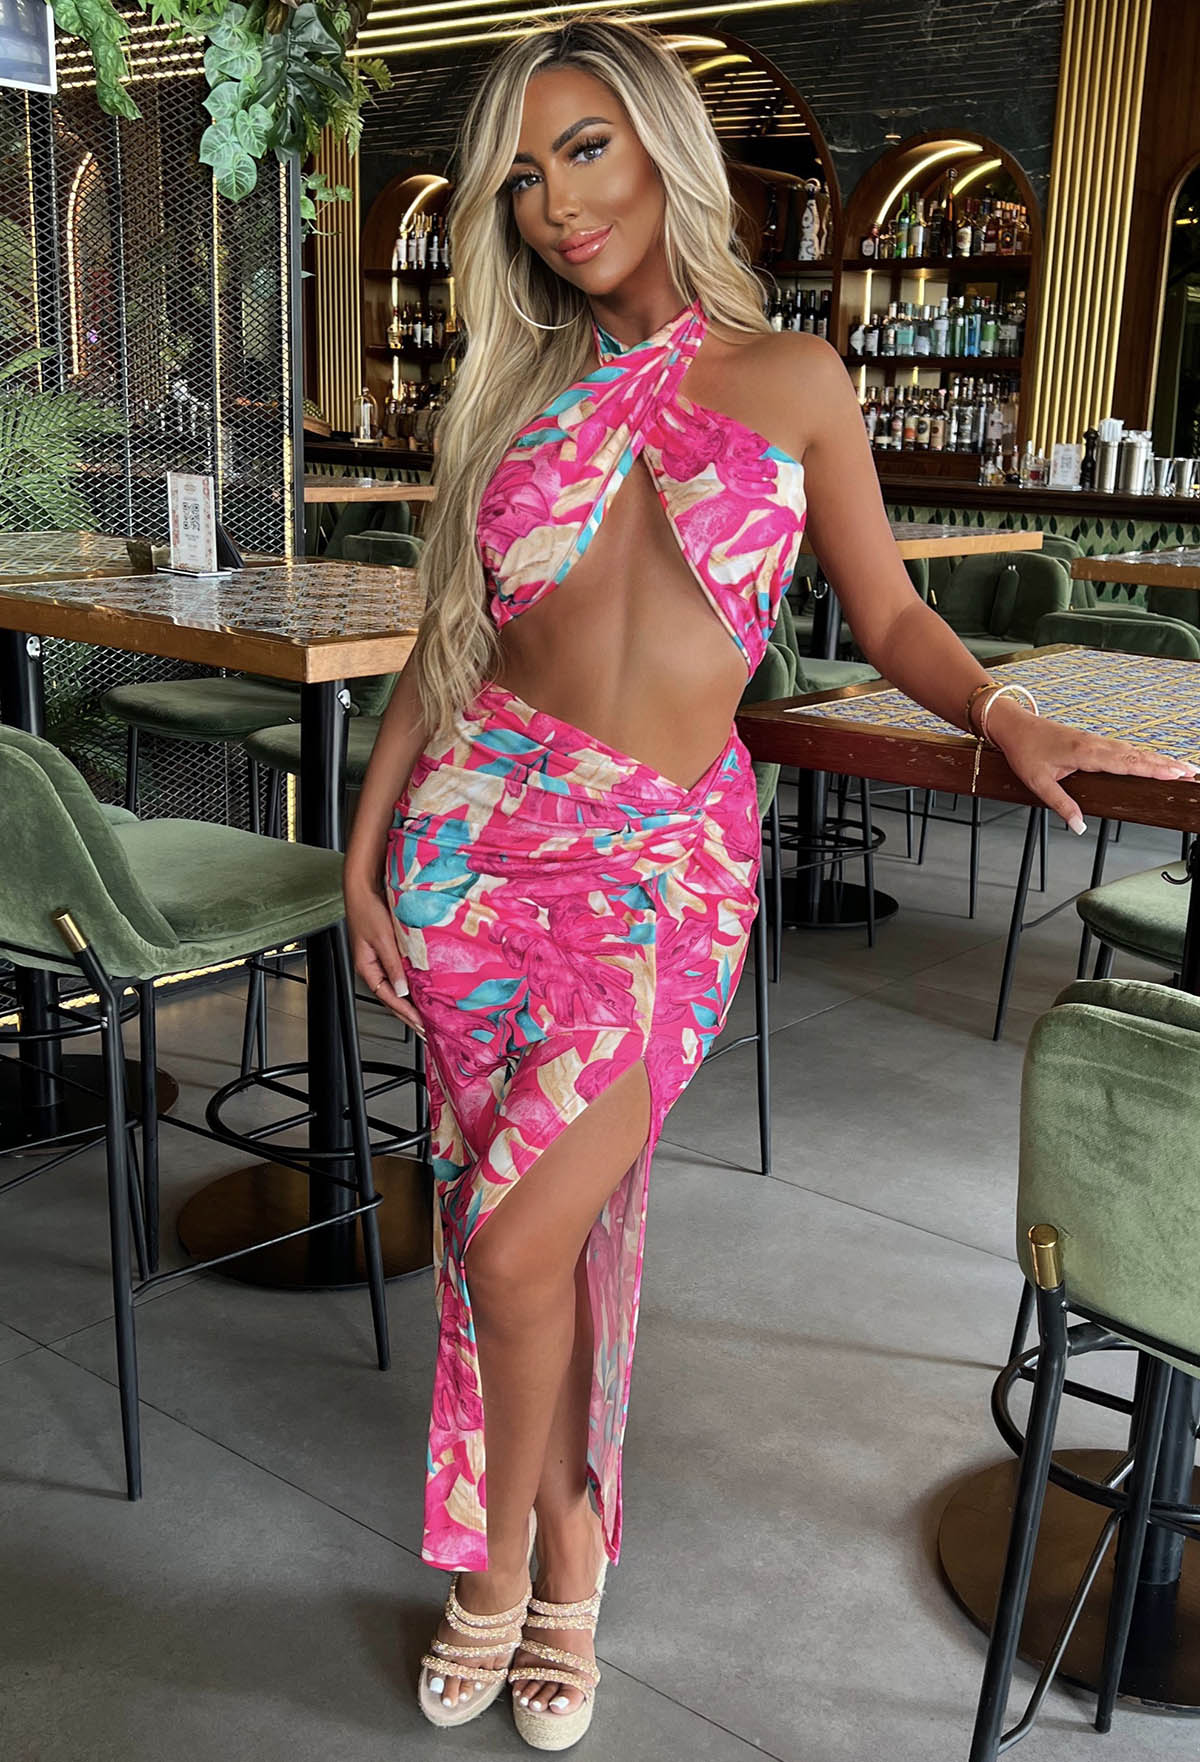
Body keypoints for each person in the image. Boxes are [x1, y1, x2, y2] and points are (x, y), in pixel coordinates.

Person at [343, 15, 1197, 1751]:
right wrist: (363, 860)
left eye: (585, 149)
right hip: (467, 853)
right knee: (521, 1226)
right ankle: (554, 1553)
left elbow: (888, 612)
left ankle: (528, 1555)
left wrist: (1002, 708)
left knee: (510, 1242)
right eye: (523, 176)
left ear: (662, 143)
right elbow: (448, 651)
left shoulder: (796, 378)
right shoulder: (510, 395)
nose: (557, 201)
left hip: (660, 871)